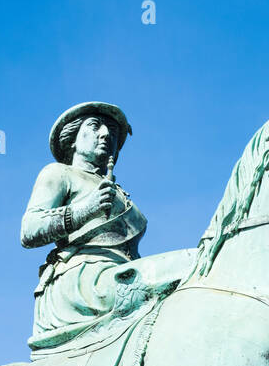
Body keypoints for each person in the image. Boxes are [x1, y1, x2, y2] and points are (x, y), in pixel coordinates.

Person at [21, 101, 194, 352]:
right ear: (73, 139)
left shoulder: (120, 192)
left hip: (120, 274)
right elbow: (28, 231)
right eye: (95, 126)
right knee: (186, 263)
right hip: (81, 280)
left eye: (112, 132)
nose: (106, 134)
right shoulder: (59, 173)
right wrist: (85, 210)